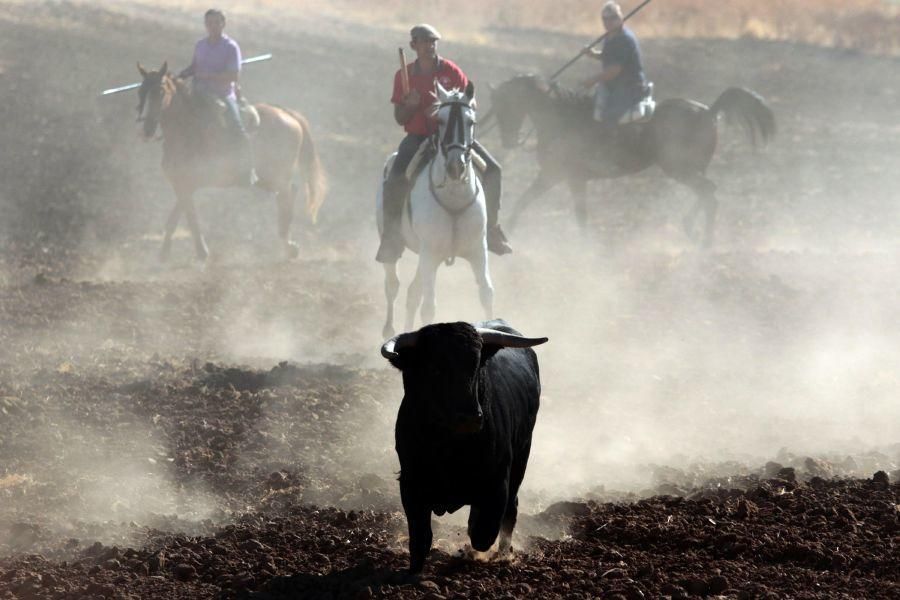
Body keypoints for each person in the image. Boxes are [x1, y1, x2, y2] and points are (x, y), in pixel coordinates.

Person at [376, 24, 511, 263]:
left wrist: (445, 111)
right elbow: (400, 118)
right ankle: (391, 238)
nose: (429, 46)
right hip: (418, 137)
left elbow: (471, 104)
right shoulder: (404, 76)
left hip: (452, 138)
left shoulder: (451, 71)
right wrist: (410, 106)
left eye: (433, 42)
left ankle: (491, 230)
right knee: (395, 177)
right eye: (423, 42)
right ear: (413, 46)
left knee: (493, 170)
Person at [179, 8, 257, 185]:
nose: (212, 26)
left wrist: (207, 76)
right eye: (209, 23)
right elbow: (194, 66)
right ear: (205, 25)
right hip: (199, 91)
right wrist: (182, 74)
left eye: (216, 23)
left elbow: (234, 76)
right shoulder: (200, 44)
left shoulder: (230, 47)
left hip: (222, 95)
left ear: (223, 24)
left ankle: (248, 171)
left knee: (238, 128)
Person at [582, 1, 647, 132]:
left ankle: (613, 149)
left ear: (620, 18)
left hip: (630, 86)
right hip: (615, 85)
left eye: (613, 18)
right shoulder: (611, 36)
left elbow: (614, 70)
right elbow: (609, 57)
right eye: (605, 19)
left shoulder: (624, 39)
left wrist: (592, 80)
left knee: (609, 116)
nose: (609, 22)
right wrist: (593, 54)